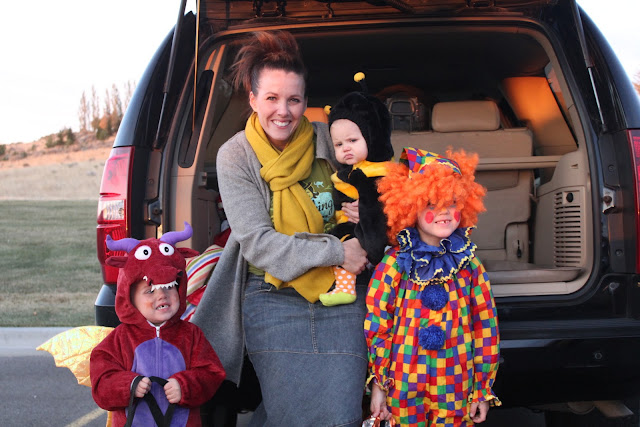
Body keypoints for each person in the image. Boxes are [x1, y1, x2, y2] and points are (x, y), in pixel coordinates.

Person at [191, 31, 370, 425]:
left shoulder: (328, 139)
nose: (283, 111)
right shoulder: (235, 155)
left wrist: (367, 210)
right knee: (290, 412)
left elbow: (372, 176)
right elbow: (257, 242)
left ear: (306, 101)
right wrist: (336, 250)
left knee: (342, 413)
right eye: (272, 98)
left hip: (341, 289)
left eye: (294, 99)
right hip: (271, 293)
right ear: (253, 99)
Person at [365, 148, 501, 426]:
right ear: (409, 209)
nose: (443, 212)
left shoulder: (470, 265)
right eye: (430, 204)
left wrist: (482, 389)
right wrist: (380, 382)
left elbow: (485, 326)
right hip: (403, 386)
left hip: (456, 386)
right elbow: (378, 323)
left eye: (451, 202)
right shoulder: (394, 263)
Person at [90, 223, 226, 427]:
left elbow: (212, 374)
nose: (162, 295)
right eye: (150, 290)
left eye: (169, 287)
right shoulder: (119, 339)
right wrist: (128, 385)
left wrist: (185, 386)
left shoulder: (192, 335)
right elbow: (101, 385)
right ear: (129, 297)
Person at [319, 91, 394, 306]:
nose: (346, 148)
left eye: (353, 140)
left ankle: (346, 287)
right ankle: (345, 287)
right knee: (339, 242)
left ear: (372, 137)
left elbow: (378, 206)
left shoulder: (378, 172)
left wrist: (371, 222)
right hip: (356, 229)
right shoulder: (349, 172)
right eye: (339, 145)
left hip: (374, 235)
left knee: (346, 241)